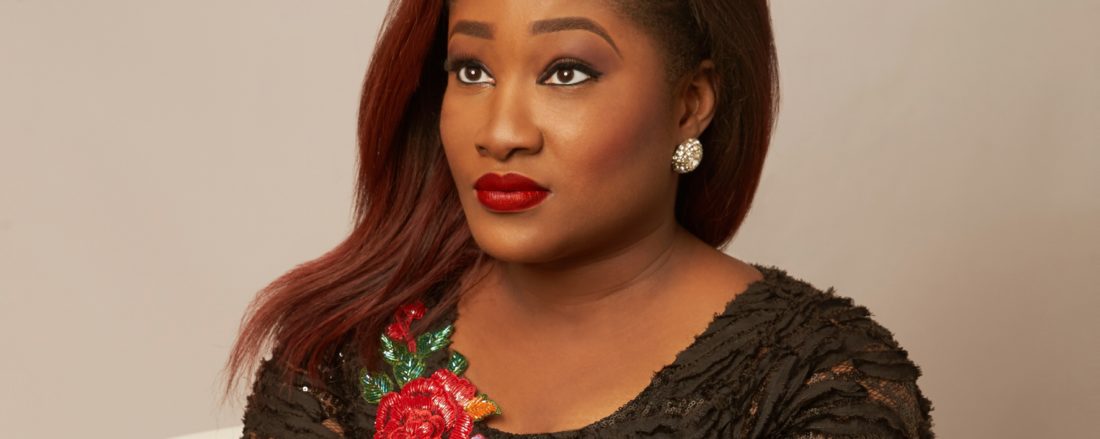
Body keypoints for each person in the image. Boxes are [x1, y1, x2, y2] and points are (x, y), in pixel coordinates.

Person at [226, 0, 935, 437]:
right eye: (471, 71)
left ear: (690, 104)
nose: (500, 132)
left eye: (565, 72)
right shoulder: (341, 354)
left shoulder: (820, 379)